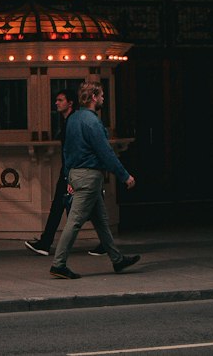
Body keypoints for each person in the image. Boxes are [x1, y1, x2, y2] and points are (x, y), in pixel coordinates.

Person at [49, 78, 140, 279]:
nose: (103, 99)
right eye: (101, 95)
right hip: (89, 177)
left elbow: (66, 150)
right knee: (74, 221)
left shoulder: (72, 119)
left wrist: (68, 177)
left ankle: (117, 259)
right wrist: (125, 176)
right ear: (93, 97)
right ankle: (58, 264)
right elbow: (105, 152)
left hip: (75, 174)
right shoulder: (92, 122)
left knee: (101, 220)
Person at [25, 89, 75, 256]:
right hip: (69, 170)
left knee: (85, 210)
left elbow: (72, 150)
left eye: (60, 100)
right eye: (56, 100)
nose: (56, 103)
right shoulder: (66, 121)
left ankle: (47, 243)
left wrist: (70, 175)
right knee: (60, 207)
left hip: (71, 171)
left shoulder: (72, 122)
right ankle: (46, 242)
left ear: (70, 103)